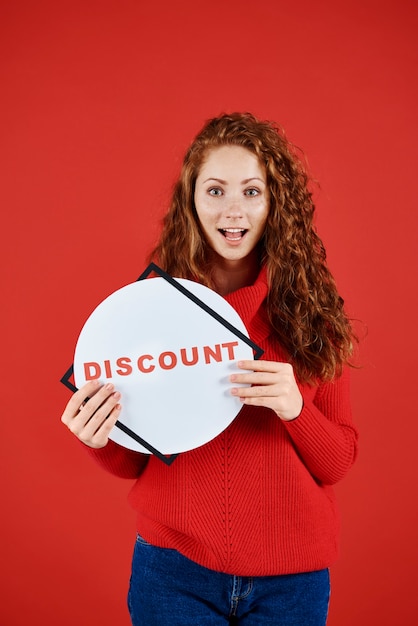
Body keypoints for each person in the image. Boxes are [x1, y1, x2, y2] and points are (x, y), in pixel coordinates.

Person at [61, 112, 358, 625]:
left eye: (251, 191)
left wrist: (297, 410)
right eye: (215, 190)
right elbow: (132, 463)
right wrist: (100, 437)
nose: (233, 210)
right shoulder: (148, 315)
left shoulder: (314, 317)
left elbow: (338, 463)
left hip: (293, 581)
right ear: (191, 201)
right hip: (173, 573)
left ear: (275, 203)